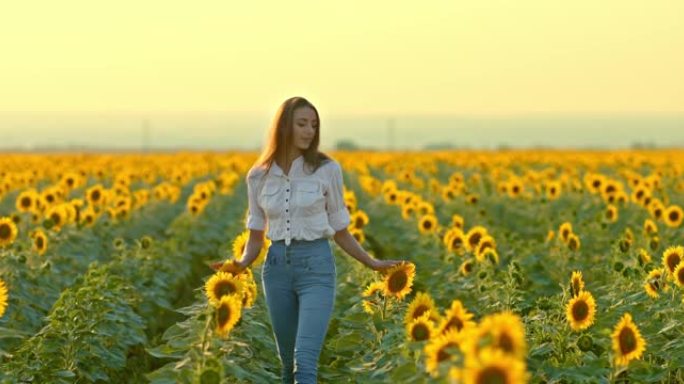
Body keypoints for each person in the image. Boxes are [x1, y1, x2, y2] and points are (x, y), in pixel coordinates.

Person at [216, 96, 405, 383]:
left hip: (316, 269)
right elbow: (256, 235)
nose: (309, 131)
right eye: (302, 124)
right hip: (276, 270)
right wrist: (240, 264)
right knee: (286, 366)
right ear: (283, 127)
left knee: (304, 364)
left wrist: (372, 262)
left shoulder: (327, 170)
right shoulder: (258, 176)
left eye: (314, 125)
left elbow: (340, 230)